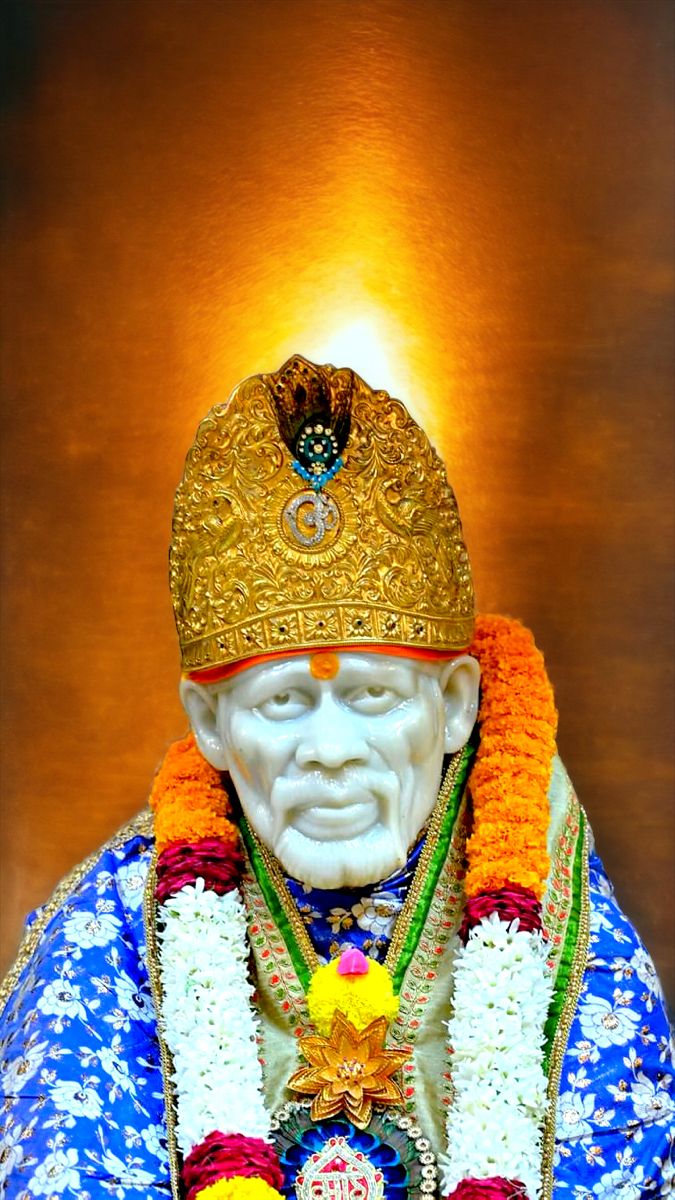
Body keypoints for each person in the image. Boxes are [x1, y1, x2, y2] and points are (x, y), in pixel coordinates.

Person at [0, 356, 672, 1200]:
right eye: (282, 702)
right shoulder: (110, 936)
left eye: (372, 695)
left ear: (456, 704)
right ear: (209, 722)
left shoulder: (568, 943)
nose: (331, 748)